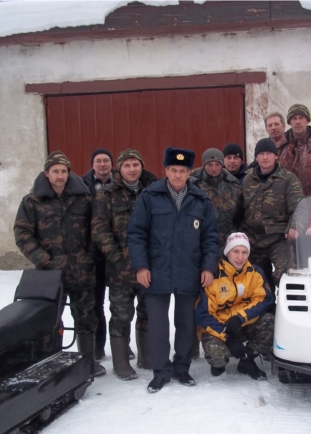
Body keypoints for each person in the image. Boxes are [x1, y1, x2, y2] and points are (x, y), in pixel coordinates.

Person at [127, 147, 219, 393]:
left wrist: (209, 267)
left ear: (190, 172)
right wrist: (141, 266)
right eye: (173, 170)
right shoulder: (149, 197)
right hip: (156, 271)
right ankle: (160, 371)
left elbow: (210, 238)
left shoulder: (201, 200)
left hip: (189, 270)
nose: (177, 175)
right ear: (165, 170)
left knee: (185, 323)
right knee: (158, 324)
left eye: (183, 171)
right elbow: (136, 234)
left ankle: (182, 368)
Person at [14, 151, 106, 377]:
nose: (60, 176)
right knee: (50, 320)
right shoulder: (32, 201)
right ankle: (51, 364)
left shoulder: (83, 197)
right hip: (50, 274)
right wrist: (43, 259)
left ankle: (88, 361)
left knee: (86, 317)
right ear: (47, 173)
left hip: (81, 270)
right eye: (55, 171)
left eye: (64, 171)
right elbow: (23, 233)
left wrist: (90, 256)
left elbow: (96, 228)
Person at [92, 149, 157, 380]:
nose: (132, 169)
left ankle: (146, 356)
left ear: (141, 167)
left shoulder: (153, 192)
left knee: (147, 312)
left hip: (149, 267)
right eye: (127, 165)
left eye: (136, 165)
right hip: (120, 269)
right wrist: (117, 258)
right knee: (121, 314)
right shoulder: (106, 195)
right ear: (118, 168)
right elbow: (100, 230)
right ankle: (120, 363)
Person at [195, 232, 275, 380]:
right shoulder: (212, 275)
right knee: (217, 354)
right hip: (219, 327)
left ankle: (247, 360)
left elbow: (265, 300)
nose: (240, 257)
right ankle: (219, 364)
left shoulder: (255, 272)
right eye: (236, 251)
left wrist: (240, 318)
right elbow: (203, 315)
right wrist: (228, 339)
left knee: (270, 321)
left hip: (241, 323)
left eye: (244, 252)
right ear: (227, 252)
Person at [241, 138, 304, 291]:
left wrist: (295, 226)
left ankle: (293, 306)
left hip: (279, 238)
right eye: (261, 154)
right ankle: (264, 312)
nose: (264, 157)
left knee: (287, 272)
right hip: (253, 239)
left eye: (268, 153)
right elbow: (240, 208)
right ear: (256, 157)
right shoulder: (248, 180)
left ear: (276, 156)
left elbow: (299, 207)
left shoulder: (288, 179)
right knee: (253, 278)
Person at [82, 148, 116, 361]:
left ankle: (122, 346)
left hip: (116, 252)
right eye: (98, 161)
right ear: (92, 165)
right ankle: (98, 346)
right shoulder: (83, 186)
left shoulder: (120, 184)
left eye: (106, 160)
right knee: (96, 303)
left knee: (120, 304)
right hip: (93, 254)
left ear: (112, 164)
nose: (103, 164)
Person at [191, 148, 243, 250]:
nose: (214, 168)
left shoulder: (232, 183)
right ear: (204, 165)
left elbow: (240, 213)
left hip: (227, 241)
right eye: (210, 165)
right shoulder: (192, 184)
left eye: (217, 164)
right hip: (200, 239)